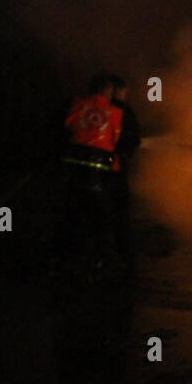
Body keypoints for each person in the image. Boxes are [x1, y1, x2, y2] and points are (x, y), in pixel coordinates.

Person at [56, 73, 124, 272]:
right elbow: (115, 140)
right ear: (108, 91)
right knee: (102, 218)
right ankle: (105, 262)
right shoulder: (115, 112)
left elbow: (67, 126)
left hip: (72, 172)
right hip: (97, 176)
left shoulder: (77, 104)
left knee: (72, 214)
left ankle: (66, 258)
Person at [109, 76, 140, 267]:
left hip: (80, 174)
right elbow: (132, 139)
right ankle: (125, 257)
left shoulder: (83, 108)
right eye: (123, 92)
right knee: (120, 213)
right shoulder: (120, 111)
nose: (125, 96)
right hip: (113, 169)